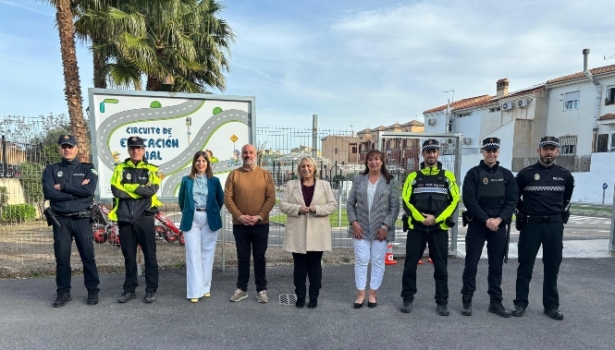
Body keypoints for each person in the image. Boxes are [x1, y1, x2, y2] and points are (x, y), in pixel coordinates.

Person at [512, 136, 574, 321]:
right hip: (531, 225)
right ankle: (520, 304)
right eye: (545, 148)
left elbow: (567, 199)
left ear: (557, 152)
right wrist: (523, 213)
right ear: (538, 151)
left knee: (552, 266)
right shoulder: (525, 174)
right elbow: (514, 197)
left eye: (552, 149)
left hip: (554, 226)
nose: (548, 152)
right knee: (525, 265)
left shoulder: (565, 175)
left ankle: (551, 306)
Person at [400, 139, 460, 316]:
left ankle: (442, 302)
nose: (431, 154)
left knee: (441, 267)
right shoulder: (413, 177)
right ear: (423, 154)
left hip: (438, 229)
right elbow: (405, 200)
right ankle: (407, 299)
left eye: (434, 151)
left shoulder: (448, 176)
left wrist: (435, 218)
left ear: (438, 153)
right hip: (417, 229)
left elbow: (455, 200)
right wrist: (421, 219)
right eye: (428, 151)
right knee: (410, 266)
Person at [460, 137, 518, 317]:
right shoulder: (473, 173)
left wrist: (499, 219)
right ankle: (467, 299)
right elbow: (469, 200)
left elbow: (512, 201)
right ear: (483, 152)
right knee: (471, 264)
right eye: (488, 150)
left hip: (499, 226)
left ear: (498, 152)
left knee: (496, 266)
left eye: (494, 150)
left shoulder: (506, 175)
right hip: (478, 224)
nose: (491, 154)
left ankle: (495, 302)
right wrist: (486, 220)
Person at [42, 135, 100, 307]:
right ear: (60, 149)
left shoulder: (88, 169)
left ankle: (93, 291)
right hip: (61, 221)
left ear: (76, 148)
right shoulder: (51, 170)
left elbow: (89, 191)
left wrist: (63, 187)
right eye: (64, 146)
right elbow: (49, 193)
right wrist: (77, 191)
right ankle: (63, 293)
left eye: (70, 146)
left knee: (88, 257)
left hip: (82, 219)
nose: (67, 149)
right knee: (62, 258)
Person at [109, 136, 162, 304]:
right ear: (128, 150)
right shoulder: (120, 169)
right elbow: (116, 190)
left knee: (150, 256)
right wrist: (139, 190)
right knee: (129, 256)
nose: (136, 151)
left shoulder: (152, 169)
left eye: (139, 148)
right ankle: (129, 289)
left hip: (144, 217)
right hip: (125, 218)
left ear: (144, 150)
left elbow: (151, 190)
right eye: (132, 148)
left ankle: (151, 289)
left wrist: (129, 188)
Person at [280, 156, 337, 309]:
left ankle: (314, 296)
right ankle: (300, 296)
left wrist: (316, 209)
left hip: (317, 233)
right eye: (303, 166)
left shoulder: (324, 185)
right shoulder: (291, 185)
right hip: (297, 233)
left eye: (309, 166)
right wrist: (297, 208)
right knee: (299, 267)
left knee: (314, 266)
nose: (306, 169)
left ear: (314, 168)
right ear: (300, 169)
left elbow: (332, 205)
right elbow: (283, 205)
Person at [347, 150, 400, 309]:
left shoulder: (391, 181)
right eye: (370, 159)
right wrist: (354, 222)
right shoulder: (358, 180)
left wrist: (385, 226)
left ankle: (372, 294)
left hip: (381, 230)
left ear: (382, 161)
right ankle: (361, 294)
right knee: (361, 260)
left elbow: (395, 207)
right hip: (360, 229)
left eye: (376, 159)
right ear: (366, 163)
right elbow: (350, 204)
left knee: (377, 261)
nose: (373, 162)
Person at [224, 144, 276, 303]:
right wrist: (240, 217)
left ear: (256, 155)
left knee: (259, 256)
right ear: (242, 156)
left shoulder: (265, 174)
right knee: (243, 257)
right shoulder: (234, 175)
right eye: (245, 153)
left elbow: (271, 198)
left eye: (251, 152)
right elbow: (228, 198)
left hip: (260, 224)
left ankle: (261, 290)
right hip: (241, 225)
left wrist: (259, 216)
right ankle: (242, 289)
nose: (248, 155)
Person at [178, 151, 224, 303]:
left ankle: (204, 288)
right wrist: (188, 212)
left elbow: (220, 199)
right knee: (193, 255)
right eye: (198, 161)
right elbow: (182, 200)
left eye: (204, 161)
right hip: (192, 219)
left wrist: (213, 211)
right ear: (194, 163)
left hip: (209, 218)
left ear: (208, 163)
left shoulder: (215, 181)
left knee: (207, 254)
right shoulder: (186, 180)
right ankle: (194, 291)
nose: (201, 163)